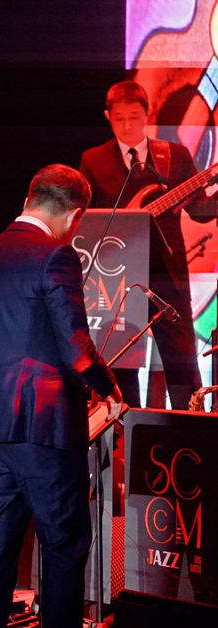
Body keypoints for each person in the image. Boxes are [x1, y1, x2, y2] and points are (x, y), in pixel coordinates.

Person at [0, 164, 123, 628]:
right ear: (75, 214)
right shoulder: (56, 257)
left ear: (28, 200)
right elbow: (75, 347)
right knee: (64, 543)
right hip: (44, 428)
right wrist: (109, 388)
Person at [79, 79, 216, 411]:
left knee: (182, 359)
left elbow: (199, 210)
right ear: (108, 116)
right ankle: (123, 431)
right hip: (116, 277)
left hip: (168, 272)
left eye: (134, 117)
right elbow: (84, 219)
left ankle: (190, 425)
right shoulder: (92, 160)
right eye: (119, 118)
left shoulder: (174, 156)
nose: (127, 125)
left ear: (148, 114)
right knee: (120, 361)